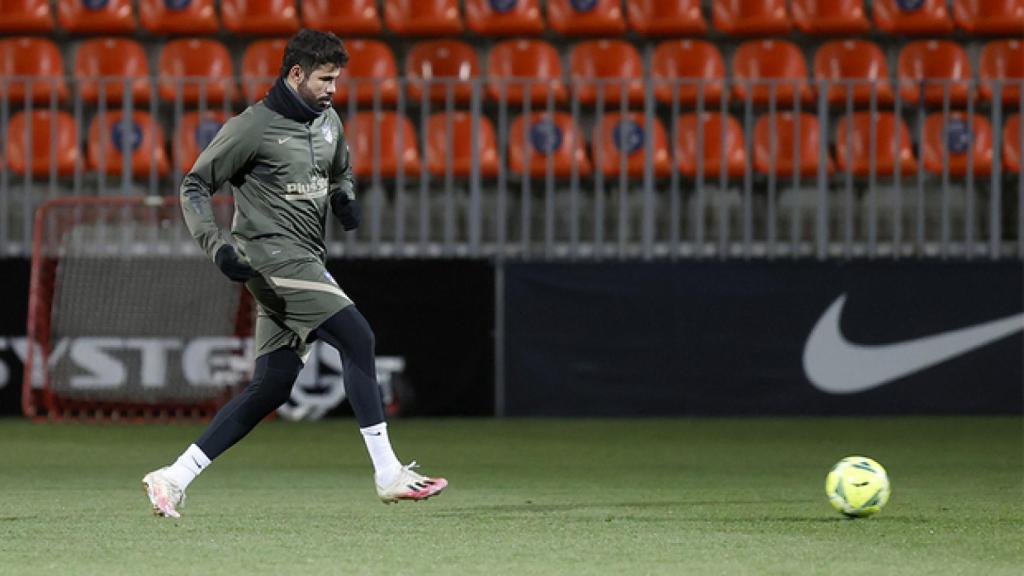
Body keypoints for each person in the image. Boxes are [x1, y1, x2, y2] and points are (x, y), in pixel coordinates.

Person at [142, 29, 447, 518]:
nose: (332, 89)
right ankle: (388, 472)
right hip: (271, 259)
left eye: (337, 80)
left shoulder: (328, 121)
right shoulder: (252, 127)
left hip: (306, 258)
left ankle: (173, 477)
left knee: (273, 386)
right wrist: (217, 246)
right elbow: (195, 184)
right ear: (296, 73)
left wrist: (344, 195)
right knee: (358, 338)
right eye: (325, 79)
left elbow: (340, 169)